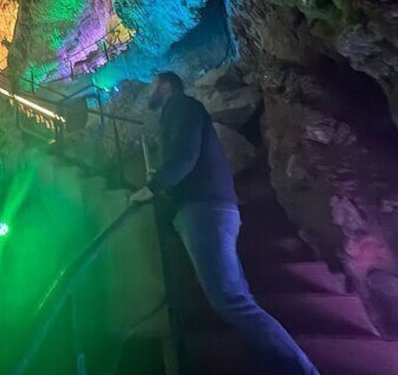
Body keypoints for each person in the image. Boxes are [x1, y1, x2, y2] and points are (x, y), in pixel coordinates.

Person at [130, 71, 319, 375]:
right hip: (207, 209)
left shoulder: (180, 105)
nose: (150, 91)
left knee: (231, 300)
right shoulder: (181, 110)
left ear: (166, 87)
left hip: (203, 210)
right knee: (235, 297)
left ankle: (301, 369)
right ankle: (273, 365)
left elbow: (184, 156)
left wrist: (151, 188)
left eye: (153, 85)